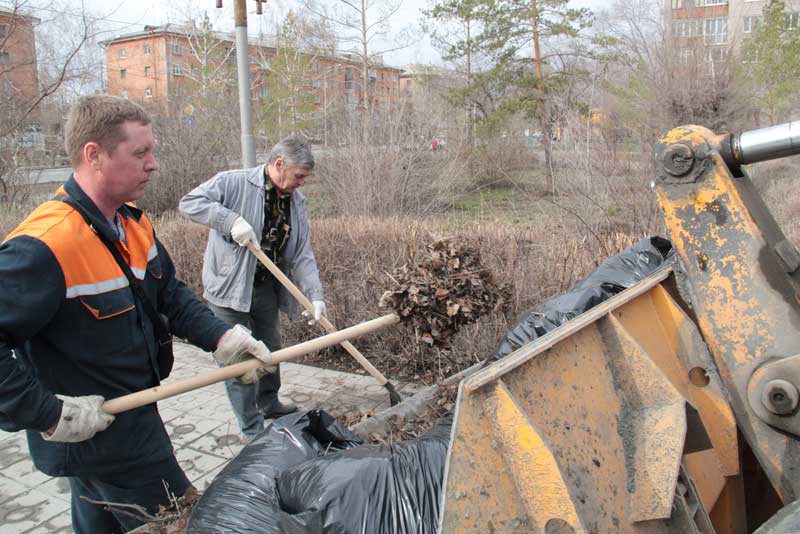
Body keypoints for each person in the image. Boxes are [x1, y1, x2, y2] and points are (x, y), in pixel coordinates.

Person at [0, 95, 274, 534]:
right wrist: (47, 414)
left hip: (130, 412)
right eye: (140, 153)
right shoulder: (47, 245)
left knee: (99, 522)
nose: (154, 165)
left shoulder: (131, 224)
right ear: (94, 155)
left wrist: (222, 339)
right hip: (99, 435)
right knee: (181, 520)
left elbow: (168, 294)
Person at [179, 136, 325, 440]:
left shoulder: (296, 202)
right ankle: (251, 429)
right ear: (279, 164)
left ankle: (269, 403)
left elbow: (302, 254)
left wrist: (316, 296)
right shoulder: (233, 183)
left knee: (271, 348)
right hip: (229, 290)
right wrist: (229, 220)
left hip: (266, 288)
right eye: (299, 176)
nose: (301, 183)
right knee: (238, 360)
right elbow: (189, 203)